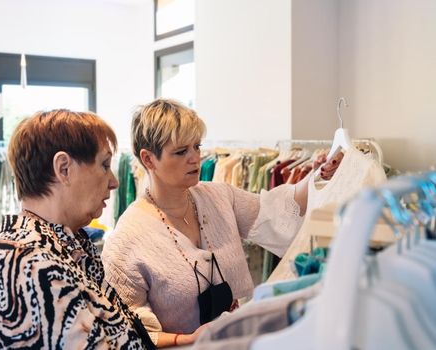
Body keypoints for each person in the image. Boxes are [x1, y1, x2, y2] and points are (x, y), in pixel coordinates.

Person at [101, 99, 338, 348]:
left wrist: (317, 175)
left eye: (197, 146)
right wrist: (187, 339)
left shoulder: (218, 196)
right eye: (181, 152)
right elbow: (122, 329)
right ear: (148, 159)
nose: (195, 158)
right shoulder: (127, 238)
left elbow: (277, 209)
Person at [0, 110, 155, 349]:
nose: (114, 181)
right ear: (64, 168)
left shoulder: (62, 245)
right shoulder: (30, 265)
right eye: (104, 165)